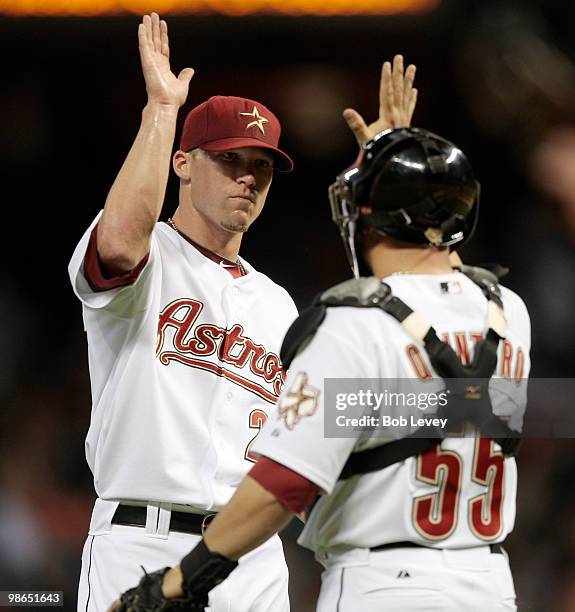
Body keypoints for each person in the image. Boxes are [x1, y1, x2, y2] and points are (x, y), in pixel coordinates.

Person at [110, 89, 532, 612]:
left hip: (377, 580)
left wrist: (181, 581)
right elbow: (421, 363)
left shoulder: (349, 324)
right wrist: (398, 166)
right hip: (487, 578)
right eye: (230, 160)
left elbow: (286, 479)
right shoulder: (508, 313)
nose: (246, 177)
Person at [68, 11, 302, 612]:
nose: (248, 178)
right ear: (182, 164)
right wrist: (162, 112)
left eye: (262, 166)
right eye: (229, 160)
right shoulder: (150, 258)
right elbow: (119, 246)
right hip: (138, 542)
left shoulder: (278, 304)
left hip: (250, 558)